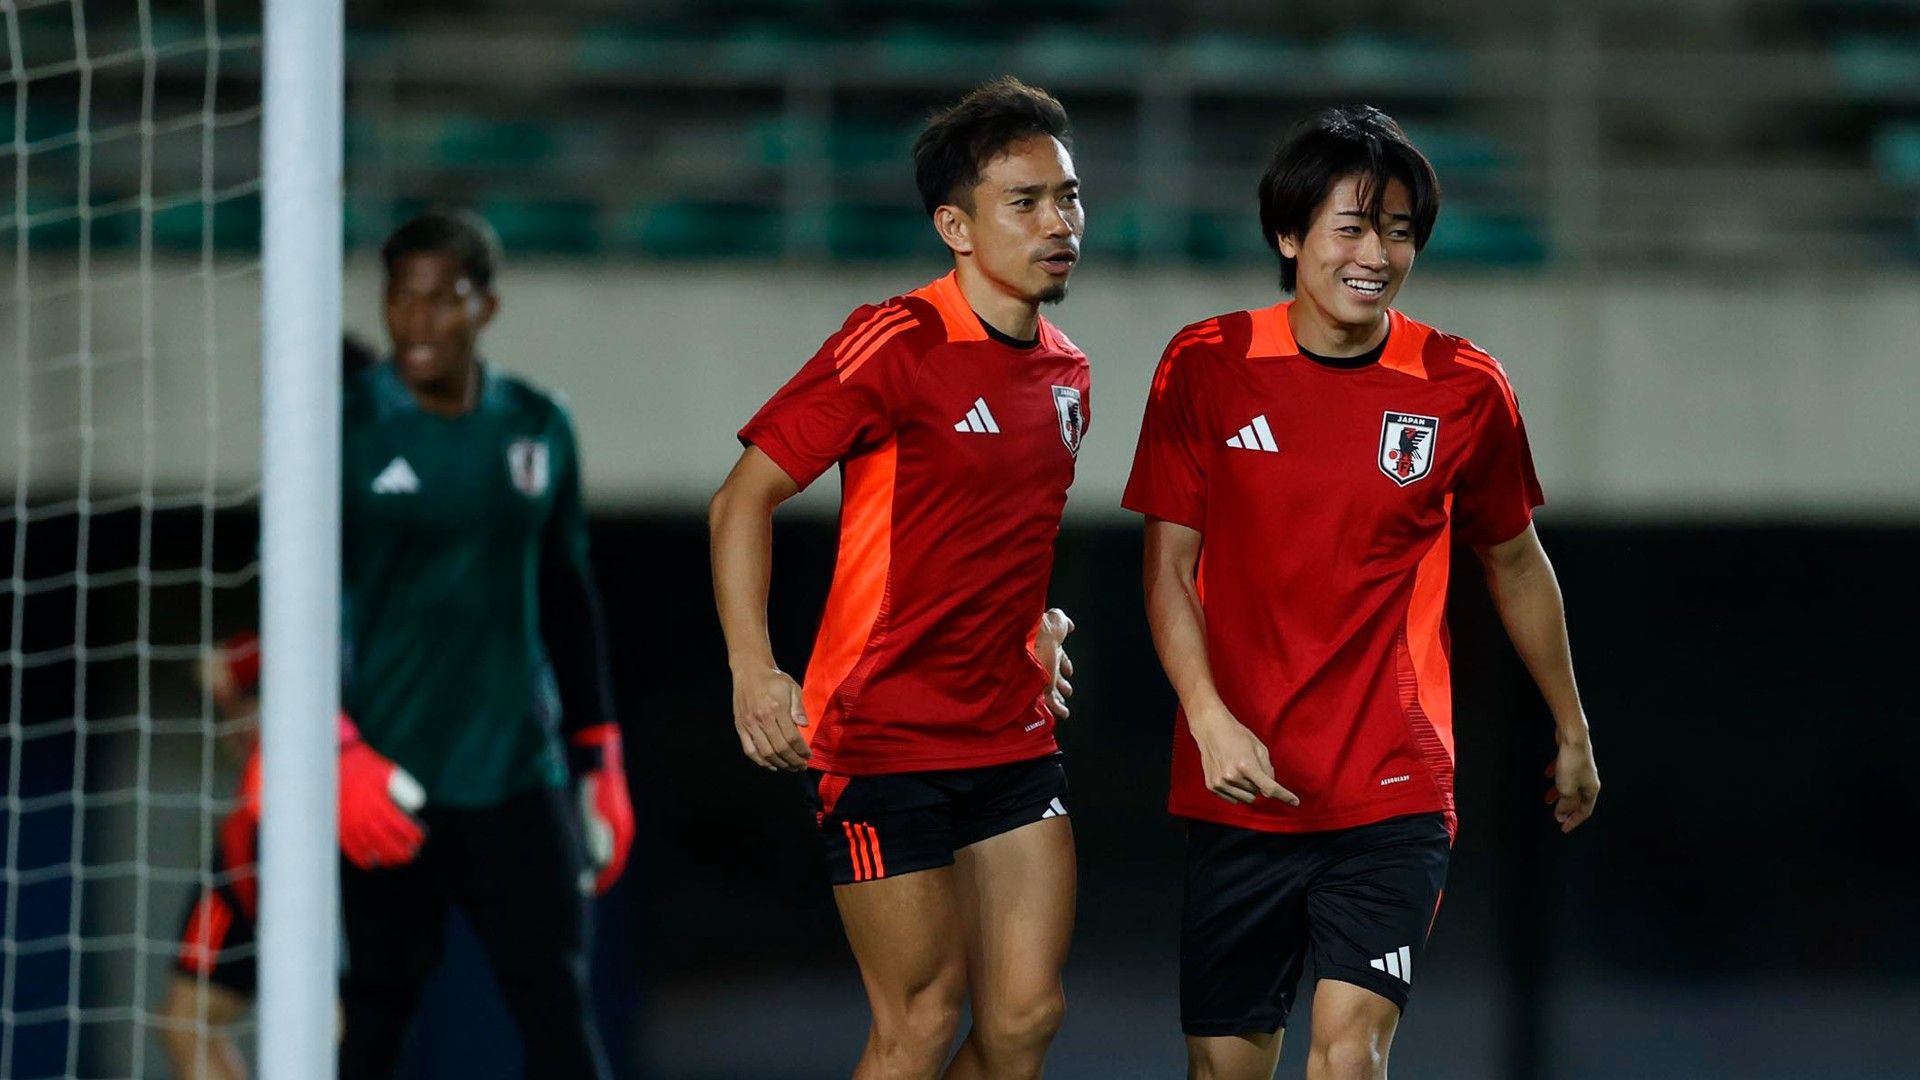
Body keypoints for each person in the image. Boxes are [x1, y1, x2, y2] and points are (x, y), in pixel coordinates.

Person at [1122, 105, 1602, 1080]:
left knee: (1351, 1055)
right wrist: (1209, 718)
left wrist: (1573, 724)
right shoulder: (1205, 365)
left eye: (1397, 229)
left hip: (1393, 787)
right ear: (1288, 235)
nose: (1375, 252)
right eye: (1351, 225)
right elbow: (1169, 568)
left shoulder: (1464, 386)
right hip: (1239, 788)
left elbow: (1516, 560)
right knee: (1224, 1069)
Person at [709, 77, 1088, 1080]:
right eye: (1027, 202)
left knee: (1025, 1022)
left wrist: (1037, 621)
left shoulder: (1068, 374)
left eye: (1069, 197)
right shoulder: (893, 342)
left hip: (1010, 731)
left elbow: (996, 537)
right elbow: (740, 500)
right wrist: (754, 669)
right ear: (955, 226)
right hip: (883, 739)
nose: (1059, 222)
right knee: (921, 1023)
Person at [337, 208, 631, 1078]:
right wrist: (335, 745)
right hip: (387, 781)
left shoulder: (538, 425)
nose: (417, 322)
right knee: (378, 1015)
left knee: (555, 1008)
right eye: (401, 300)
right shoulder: (343, 426)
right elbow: (298, 602)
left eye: (441, 300)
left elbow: (566, 596)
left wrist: (600, 756)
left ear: (486, 308)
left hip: (515, 771)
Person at [160, 633, 425, 1080]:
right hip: (246, 855)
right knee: (186, 1023)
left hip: (329, 850)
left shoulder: (376, 647)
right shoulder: (291, 637)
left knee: (333, 1034)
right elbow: (215, 669)